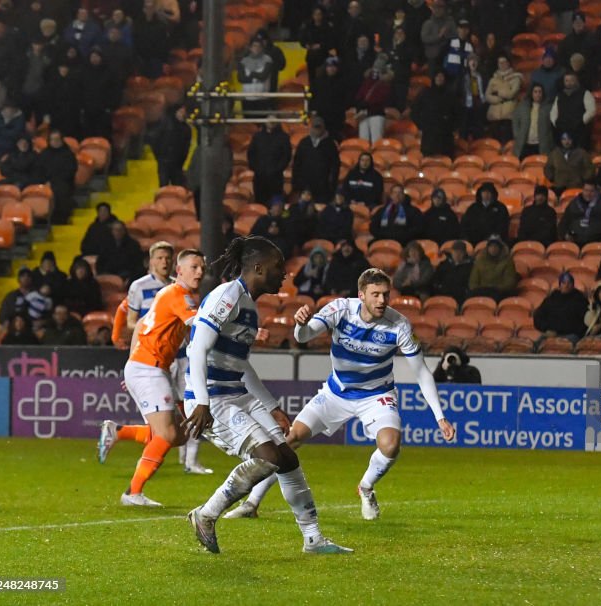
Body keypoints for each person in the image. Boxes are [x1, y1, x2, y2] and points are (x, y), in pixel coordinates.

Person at [222, 268, 456, 522]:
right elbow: (305, 336)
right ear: (361, 295)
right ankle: (252, 503)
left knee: (390, 445)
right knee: (288, 441)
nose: (382, 301)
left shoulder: (399, 324)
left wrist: (440, 417)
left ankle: (365, 487)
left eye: (385, 295)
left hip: (376, 395)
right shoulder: (340, 309)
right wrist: (300, 325)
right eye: (375, 294)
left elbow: (421, 372)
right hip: (335, 393)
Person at [182, 237, 351, 554]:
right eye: (278, 268)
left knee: (287, 457)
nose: (284, 274)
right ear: (257, 267)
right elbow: (197, 349)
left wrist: (272, 406)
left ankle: (313, 539)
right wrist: (201, 402)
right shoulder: (227, 296)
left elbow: (240, 364)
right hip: (212, 398)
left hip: (235, 392)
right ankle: (206, 514)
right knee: (268, 457)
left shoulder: (248, 305)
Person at [96, 249, 206, 506]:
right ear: (179, 271)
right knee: (168, 434)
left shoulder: (169, 294)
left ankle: (119, 432)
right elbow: (201, 327)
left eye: (202, 268)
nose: (199, 272)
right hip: (149, 368)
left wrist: (133, 362)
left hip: (150, 368)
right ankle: (133, 493)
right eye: (194, 267)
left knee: (178, 435)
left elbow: (143, 324)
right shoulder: (178, 295)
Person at [125, 241, 174, 335]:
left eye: (168, 258)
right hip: (150, 345)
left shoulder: (178, 285)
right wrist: (151, 329)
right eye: (160, 258)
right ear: (151, 261)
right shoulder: (139, 286)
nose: (164, 262)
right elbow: (131, 323)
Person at [558, 180, 601, 246]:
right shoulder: (574, 203)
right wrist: (565, 234)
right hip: (575, 241)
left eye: (591, 191)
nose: (588, 194)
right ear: (582, 190)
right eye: (586, 190)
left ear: (596, 191)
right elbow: (563, 222)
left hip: (599, 241)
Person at [292, 116, 340, 204]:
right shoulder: (304, 142)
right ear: (311, 127)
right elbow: (297, 164)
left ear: (324, 127)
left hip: (323, 187)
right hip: (305, 186)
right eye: (315, 127)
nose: (317, 129)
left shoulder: (330, 144)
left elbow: (335, 166)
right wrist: (297, 184)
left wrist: (331, 184)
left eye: (319, 127)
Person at [247, 118, 293, 205]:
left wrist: (277, 169)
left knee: (276, 204)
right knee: (260, 204)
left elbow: (286, 156)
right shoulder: (257, 136)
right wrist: (257, 168)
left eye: (274, 118)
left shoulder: (284, 137)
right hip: (259, 178)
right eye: (269, 118)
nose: (271, 121)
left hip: (276, 178)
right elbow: (251, 154)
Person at [533, 271, 588, 342]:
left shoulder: (580, 300)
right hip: (551, 333)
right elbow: (538, 316)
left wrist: (562, 331)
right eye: (564, 283)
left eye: (569, 283)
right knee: (536, 345)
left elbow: (584, 323)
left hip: (571, 335)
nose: (566, 285)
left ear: (573, 285)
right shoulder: (551, 299)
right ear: (560, 284)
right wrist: (546, 329)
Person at [37, 129, 78, 223]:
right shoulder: (44, 154)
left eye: (57, 139)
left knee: (60, 190)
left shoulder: (68, 154)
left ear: (62, 140)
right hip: (46, 182)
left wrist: (54, 181)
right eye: (52, 139)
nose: (55, 142)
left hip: (63, 182)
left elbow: (70, 171)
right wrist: (45, 181)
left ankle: (60, 219)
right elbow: (39, 170)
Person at [550, 73, 595, 149]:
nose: (569, 83)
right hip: (562, 129)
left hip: (580, 131)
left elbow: (591, 110)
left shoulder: (585, 93)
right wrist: (556, 122)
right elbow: (554, 111)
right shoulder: (560, 95)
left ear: (576, 81)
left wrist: (582, 121)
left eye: (571, 80)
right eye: (567, 80)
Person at [353, 56, 393, 143]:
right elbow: (359, 95)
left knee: (376, 140)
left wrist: (368, 105)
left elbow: (382, 98)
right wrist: (360, 103)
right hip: (364, 115)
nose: (376, 70)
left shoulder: (386, 84)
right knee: (363, 141)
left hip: (376, 114)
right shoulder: (367, 81)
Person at [467, 235, 518, 302]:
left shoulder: (507, 262)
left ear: (500, 248)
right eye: (491, 246)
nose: (493, 248)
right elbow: (473, 282)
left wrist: (494, 288)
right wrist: (482, 289)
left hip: (499, 292)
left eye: (496, 246)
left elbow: (509, 283)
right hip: (482, 291)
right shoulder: (480, 261)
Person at [485, 54, 522, 143]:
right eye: (500, 62)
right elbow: (487, 95)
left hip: (508, 115)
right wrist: (498, 99)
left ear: (508, 63)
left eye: (504, 62)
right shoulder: (493, 79)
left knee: (507, 141)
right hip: (494, 115)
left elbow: (511, 94)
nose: (502, 64)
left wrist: (497, 92)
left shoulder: (516, 78)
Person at [512, 83, 554, 160]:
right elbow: (515, 121)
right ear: (531, 93)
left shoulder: (548, 107)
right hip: (525, 144)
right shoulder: (522, 106)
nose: (538, 94)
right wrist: (517, 135)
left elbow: (552, 125)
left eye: (540, 92)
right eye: (535, 92)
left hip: (541, 145)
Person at [153, 103, 192, 187]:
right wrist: (160, 158)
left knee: (177, 188)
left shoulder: (187, 129)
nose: (182, 114)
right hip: (164, 162)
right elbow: (156, 141)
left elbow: (186, 148)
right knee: (163, 187)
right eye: (181, 112)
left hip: (177, 164)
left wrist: (181, 161)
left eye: (184, 112)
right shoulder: (164, 124)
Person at [544, 131, 593, 195]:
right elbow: (548, 168)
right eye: (564, 139)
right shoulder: (554, 153)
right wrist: (552, 178)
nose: (567, 142)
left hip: (577, 187)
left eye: (569, 139)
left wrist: (584, 179)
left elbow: (589, 168)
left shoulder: (582, 153)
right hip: (559, 187)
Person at [239, 38, 275, 115]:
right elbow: (241, 78)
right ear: (250, 48)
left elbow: (263, 76)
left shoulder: (267, 60)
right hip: (247, 98)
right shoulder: (244, 61)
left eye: (259, 46)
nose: (257, 48)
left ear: (262, 48)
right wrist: (255, 76)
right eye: (254, 46)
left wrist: (252, 75)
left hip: (262, 98)